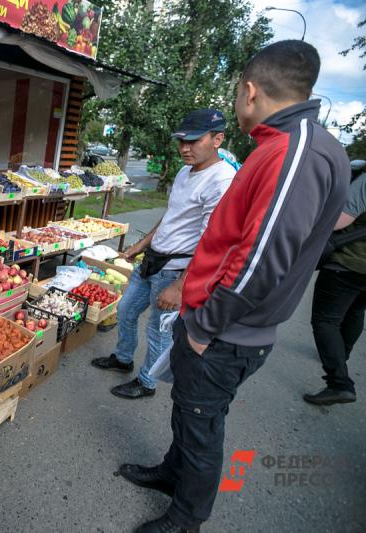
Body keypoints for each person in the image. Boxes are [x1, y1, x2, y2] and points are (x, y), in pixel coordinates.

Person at [119, 40, 349, 533]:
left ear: (249, 91)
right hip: (219, 322)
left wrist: (206, 324)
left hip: (225, 331)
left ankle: (186, 518)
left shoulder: (294, 152)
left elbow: (264, 256)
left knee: (202, 424)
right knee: (188, 412)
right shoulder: (290, 145)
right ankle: (170, 474)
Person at [91, 109, 235, 399]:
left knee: (158, 330)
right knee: (126, 310)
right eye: (181, 141)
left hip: (174, 269)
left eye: (193, 141)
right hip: (153, 259)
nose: (185, 148)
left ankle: (147, 383)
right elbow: (171, 216)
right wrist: (139, 246)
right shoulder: (185, 170)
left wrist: (180, 287)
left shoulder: (222, 180)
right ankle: (123, 358)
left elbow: (211, 243)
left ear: (217, 139)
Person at [304, 169, 366, 405]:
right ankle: (340, 354)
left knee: (325, 321)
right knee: (355, 311)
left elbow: (340, 220)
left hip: (348, 262)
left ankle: (339, 382)